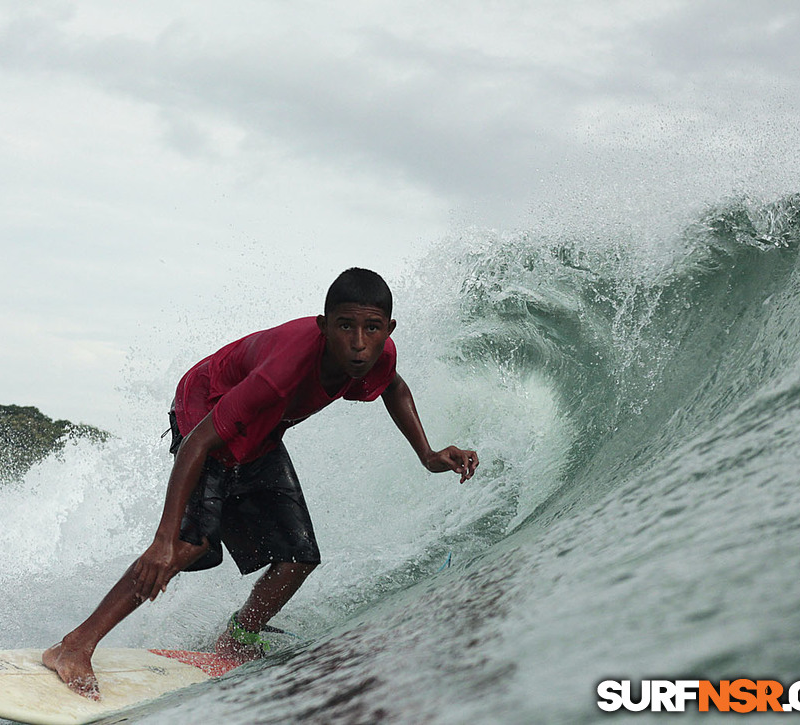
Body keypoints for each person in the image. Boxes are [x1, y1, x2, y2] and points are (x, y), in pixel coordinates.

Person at [43, 268, 479, 699]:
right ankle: (74, 646)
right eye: (346, 326)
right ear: (324, 326)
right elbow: (197, 444)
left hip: (262, 430)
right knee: (186, 545)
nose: (359, 342)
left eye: (373, 328)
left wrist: (427, 454)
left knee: (298, 556)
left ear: (389, 329)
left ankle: (238, 637)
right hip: (205, 408)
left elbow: (393, 387)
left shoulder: (377, 355)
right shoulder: (283, 370)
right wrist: (163, 538)